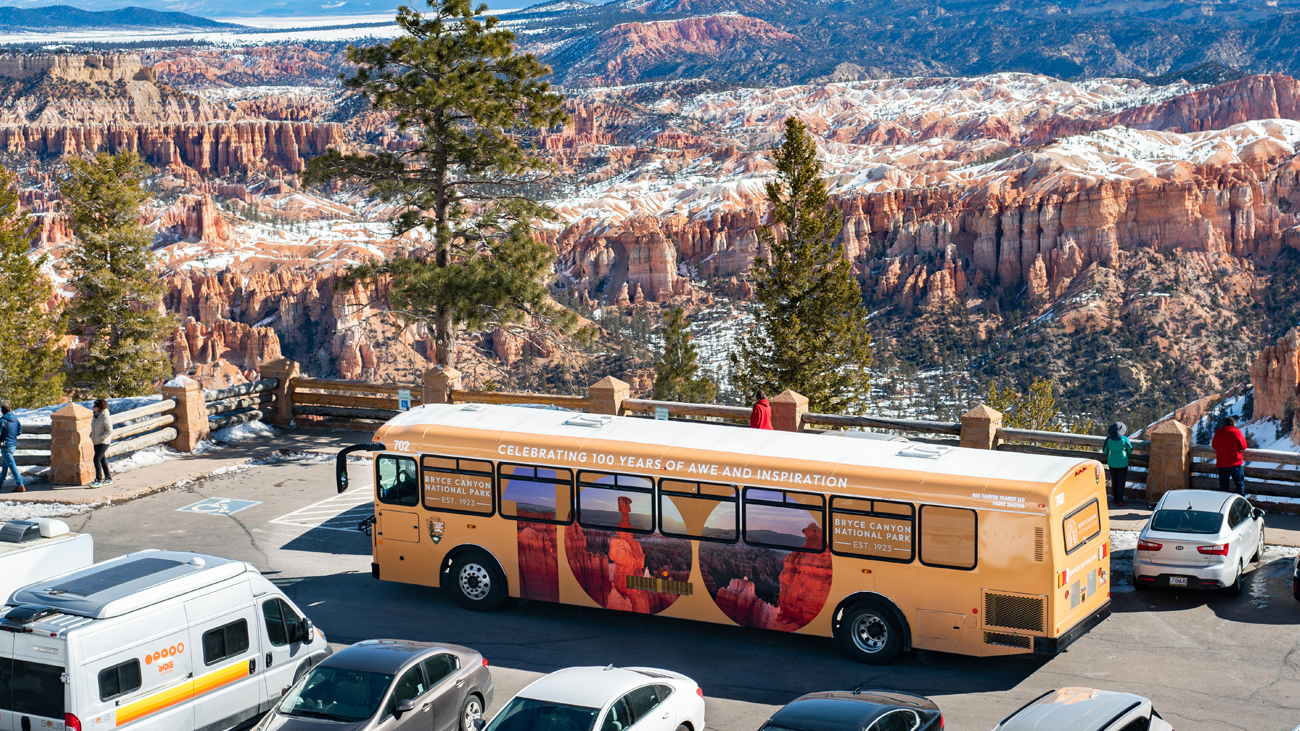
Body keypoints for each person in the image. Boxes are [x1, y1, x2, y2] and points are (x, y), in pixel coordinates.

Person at [1212, 415, 1248, 495]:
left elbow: (1214, 445)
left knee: (1224, 488)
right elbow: (1244, 446)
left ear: (1226, 424)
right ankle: (1241, 504)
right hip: (1235, 464)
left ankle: (1225, 504)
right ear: (1234, 425)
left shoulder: (1219, 432)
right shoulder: (1237, 432)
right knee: (1239, 485)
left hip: (1222, 464)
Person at [1101, 421, 1132, 506]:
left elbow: (1104, 451)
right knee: (1121, 481)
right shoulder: (1124, 439)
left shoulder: (1108, 440)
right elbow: (1130, 450)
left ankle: (1115, 498)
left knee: (1114, 480)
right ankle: (1120, 500)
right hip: (1122, 462)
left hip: (1112, 463)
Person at [0, 402, 23, 493]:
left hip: (5, 446)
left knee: (12, 466)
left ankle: (20, 484)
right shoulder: (16, 419)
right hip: (13, 445)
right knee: (5, 466)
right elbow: (19, 432)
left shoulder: (2, 420)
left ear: (2, 411)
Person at [91, 398, 114, 487]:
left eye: (95, 406)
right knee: (102, 459)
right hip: (96, 441)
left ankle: (98, 479)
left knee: (96, 459)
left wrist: (101, 437)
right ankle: (108, 478)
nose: (93, 408)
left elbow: (109, 430)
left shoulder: (105, 417)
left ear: (100, 407)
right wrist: (91, 435)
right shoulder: (95, 416)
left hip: (103, 442)